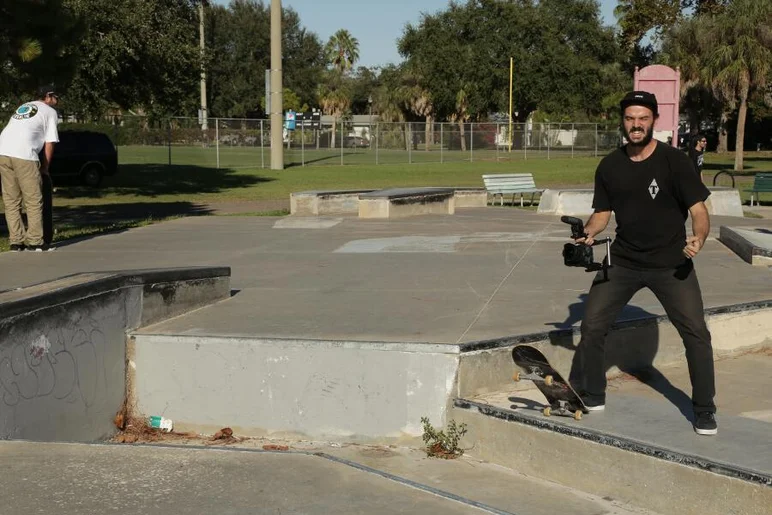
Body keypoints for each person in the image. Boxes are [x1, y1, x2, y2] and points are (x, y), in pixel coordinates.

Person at [571, 91, 717, 436]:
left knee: (696, 333)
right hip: (623, 261)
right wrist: (588, 234)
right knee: (591, 325)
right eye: (629, 118)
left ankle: (705, 408)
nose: (636, 125)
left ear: (654, 121)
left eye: (643, 118)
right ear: (622, 122)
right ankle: (593, 394)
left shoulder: (674, 161)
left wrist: (699, 238)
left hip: (672, 264)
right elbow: (602, 214)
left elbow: (699, 212)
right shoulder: (609, 165)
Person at [0, 84, 59, 251]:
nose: (57, 101)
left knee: (11, 200)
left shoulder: (24, 106)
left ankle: (16, 242)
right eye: (55, 97)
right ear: (48, 96)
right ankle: (35, 242)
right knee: (33, 199)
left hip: (3, 151)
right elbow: (50, 143)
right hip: (24, 154)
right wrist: (45, 168)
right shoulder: (50, 112)